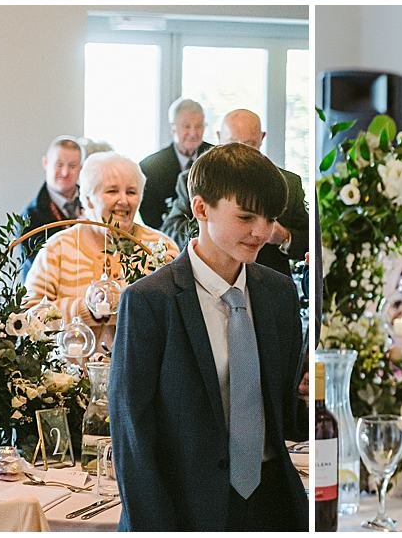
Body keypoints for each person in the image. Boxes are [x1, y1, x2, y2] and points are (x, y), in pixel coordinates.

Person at [110, 143, 309, 531]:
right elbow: (133, 436)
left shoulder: (279, 293)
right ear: (201, 209)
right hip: (185, 507)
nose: (261, 231)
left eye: (269, 217)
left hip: (274, 504)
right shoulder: (151, 302)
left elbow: (280, 411)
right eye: (246, 216)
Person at [23, 151, 178, 336]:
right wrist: (87, 309)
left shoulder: (161, 247)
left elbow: (178, 315)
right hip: (71, 365)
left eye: (131, 192)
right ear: (88, 199)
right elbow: (29, 319)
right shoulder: (57, 248)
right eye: (112, 191)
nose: (123, 200)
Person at [160, 110, 310, 279]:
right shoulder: (195, 178)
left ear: (262, 138)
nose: (241, 153)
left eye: (249, 144)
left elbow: (311, 241)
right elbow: (170, 232)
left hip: (272, 288)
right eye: (232, 144)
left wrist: (285, 237)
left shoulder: (288, 183)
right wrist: (211, 229)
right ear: (219, 138)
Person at [138, 98, 213, 229]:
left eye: (199, 126)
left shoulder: (216, 157)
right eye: (187, 126)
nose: (193, 133)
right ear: (173, 128)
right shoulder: (150, 167)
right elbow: (151, 218)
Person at [19, 135, 84, 273]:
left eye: (72, 166)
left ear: (81, 168)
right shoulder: (30, 217)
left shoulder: (93, 203)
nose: (65, 173)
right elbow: (41, 267)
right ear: (46, 163)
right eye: (59, 164)